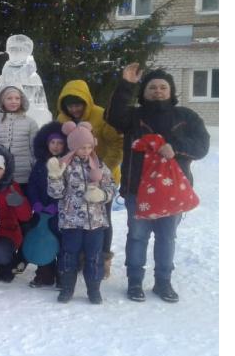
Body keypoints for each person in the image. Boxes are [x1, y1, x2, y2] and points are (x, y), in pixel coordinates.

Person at [105, 63, 210, 303]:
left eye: (163, 87)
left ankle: (163, 283)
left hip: (172, 192)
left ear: (171, 91)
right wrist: (126, 85)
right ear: (144, 93)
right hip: (137, 191)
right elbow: (113, 116)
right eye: (152, 87)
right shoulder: (133, 116)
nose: (158, 91)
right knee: (137, 237)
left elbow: (202, 145)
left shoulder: (186, 116)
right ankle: (134, 283)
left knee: (167, 238)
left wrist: (177, 147)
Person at [56, 79, 123, 278]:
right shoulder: (61, 119)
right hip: (74, 179)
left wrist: (104, 170)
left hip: (101, 177)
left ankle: (102, 261)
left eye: (78, 104)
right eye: (70, 105)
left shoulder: (102, 115)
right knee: (75, 221)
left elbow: (117, 144)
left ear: (87, 101)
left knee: (102, 220)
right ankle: (78, 259)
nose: (74, 109)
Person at [47, 122, 116, 304]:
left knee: (94, 257)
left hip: (96, 223)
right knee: (69, 254)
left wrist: (102, 194)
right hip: (71, 222)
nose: (86, 151)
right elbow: (56, 193)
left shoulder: (100, 165)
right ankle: (67, 288)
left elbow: (111, 186)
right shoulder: (65, 166)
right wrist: (54, 177)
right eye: (81, 148)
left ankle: (94, 290)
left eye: (89, 147)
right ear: (73, 147)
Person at [26, 121, 67, 288]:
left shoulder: (67, 165)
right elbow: (33, 185)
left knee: (61, 243)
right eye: (53, 142)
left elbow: (69, 189)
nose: (56, 146)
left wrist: (57, 206)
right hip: (41, 211)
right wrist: (35, 202)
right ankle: (44, 274)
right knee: (43, 242)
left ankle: (61, 275)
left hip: (61, 213)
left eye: (60, 143)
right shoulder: (40, 163)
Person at [0, 144, 32, 283]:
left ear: (5, 170)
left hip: (6, 233)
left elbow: (26, 216)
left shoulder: (12, 187)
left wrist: (19, 202)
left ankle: (6, 263)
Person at [0, 84, 38, 192]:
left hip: (24, 174)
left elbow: (35, 149)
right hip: (0, 175)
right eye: (9, 98)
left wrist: (35, 168)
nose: (14, 101)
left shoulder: (30, 123)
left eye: (17, 98)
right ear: (2, 101)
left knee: (22, 204)